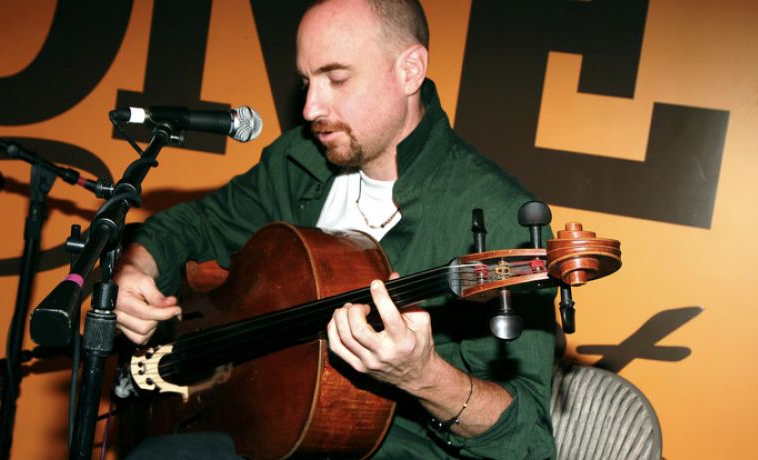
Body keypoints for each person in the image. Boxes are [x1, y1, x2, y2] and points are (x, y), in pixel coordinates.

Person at [114, 0, 557, 459]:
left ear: (410, 70)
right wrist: (137, 268)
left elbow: (528, 440)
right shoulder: (300, 159)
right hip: (257, 430)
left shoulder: (498, 212)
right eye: (306, 82)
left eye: (337, 79)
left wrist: (424, 377)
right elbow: (198, 223)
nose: (309, 108)